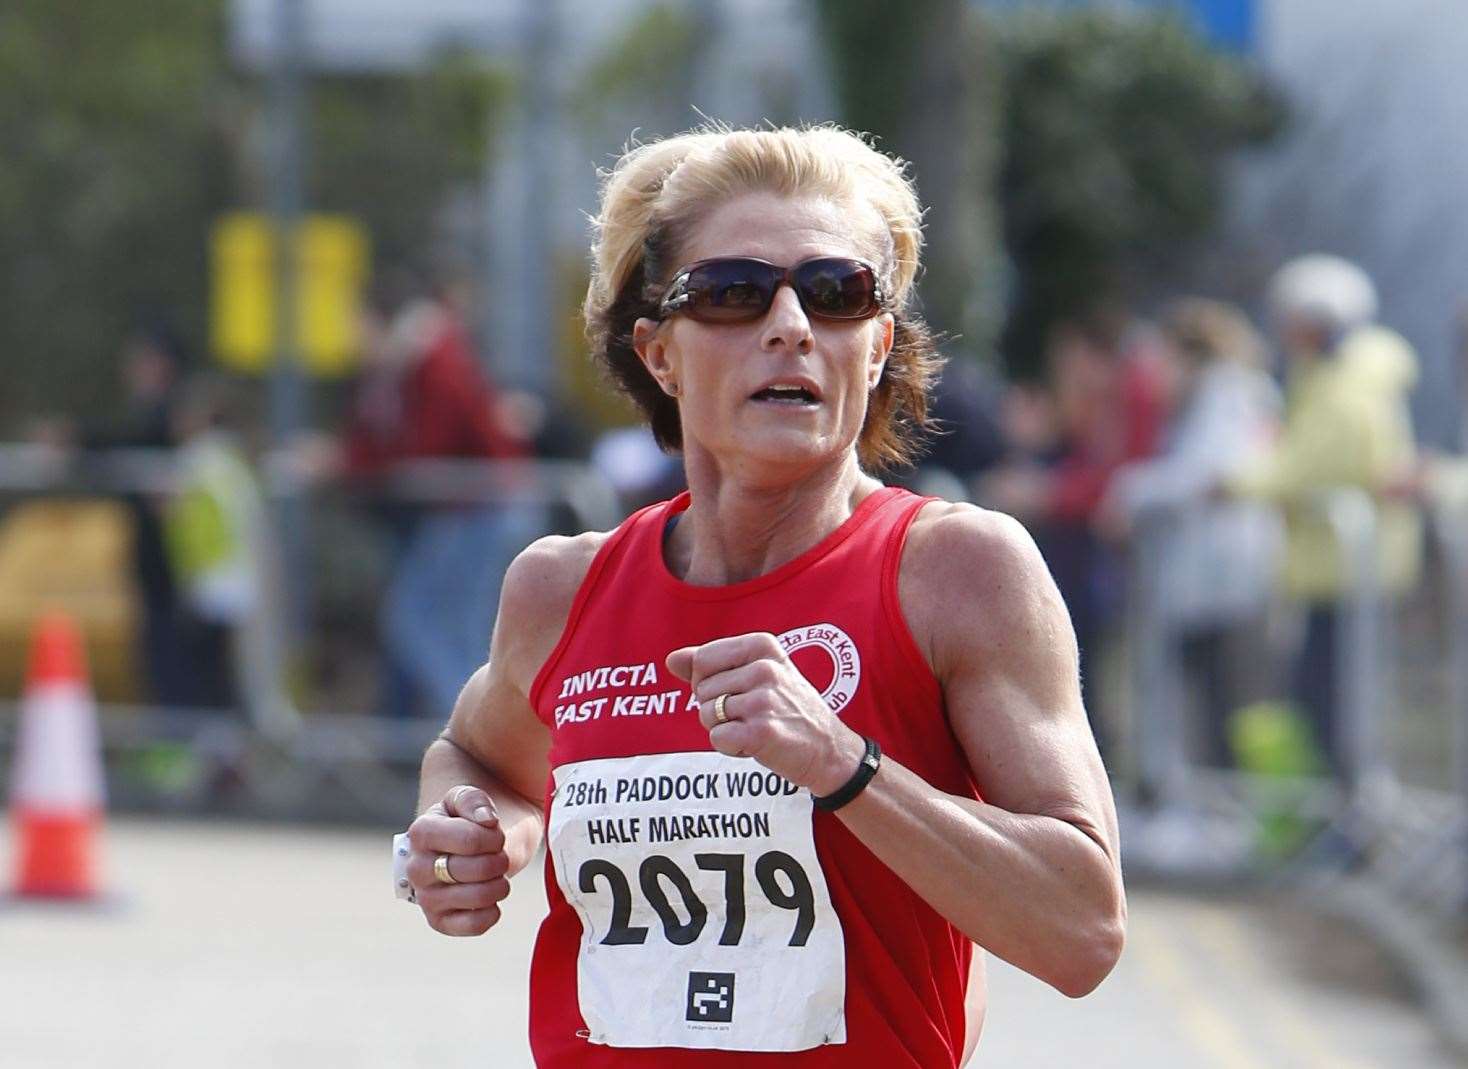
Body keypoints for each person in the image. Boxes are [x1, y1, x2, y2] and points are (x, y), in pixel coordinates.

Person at [400, 125, 1125, 1067]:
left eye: (836, 295)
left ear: (876, 348)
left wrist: (842, 763)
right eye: (737, 293)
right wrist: (470, 833)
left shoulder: (956, 571)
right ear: (659, 352)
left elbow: (1082, 932)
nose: (791, 326)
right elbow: (474, 755)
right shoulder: (561, 587)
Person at [1227, 254, 1422, 780]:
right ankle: (1343, 813)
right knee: (1327, 700)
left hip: (1348, 570)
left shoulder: (1346, 383)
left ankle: (1351, 820)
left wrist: (1234, 483)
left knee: (1337, 703)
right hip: (1334, 569)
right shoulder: (1336, 374)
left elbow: (1314, 462)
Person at [1099, 298, 1282, 769]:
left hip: (1225, 581)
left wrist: (1129, 493)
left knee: (1223, 704)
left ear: (1189, 353)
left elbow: (1207, 474)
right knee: (1205, 701)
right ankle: (1199, 799)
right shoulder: (1218, 397)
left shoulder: (1228, 394)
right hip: (1211, 583)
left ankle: (1223, 808)